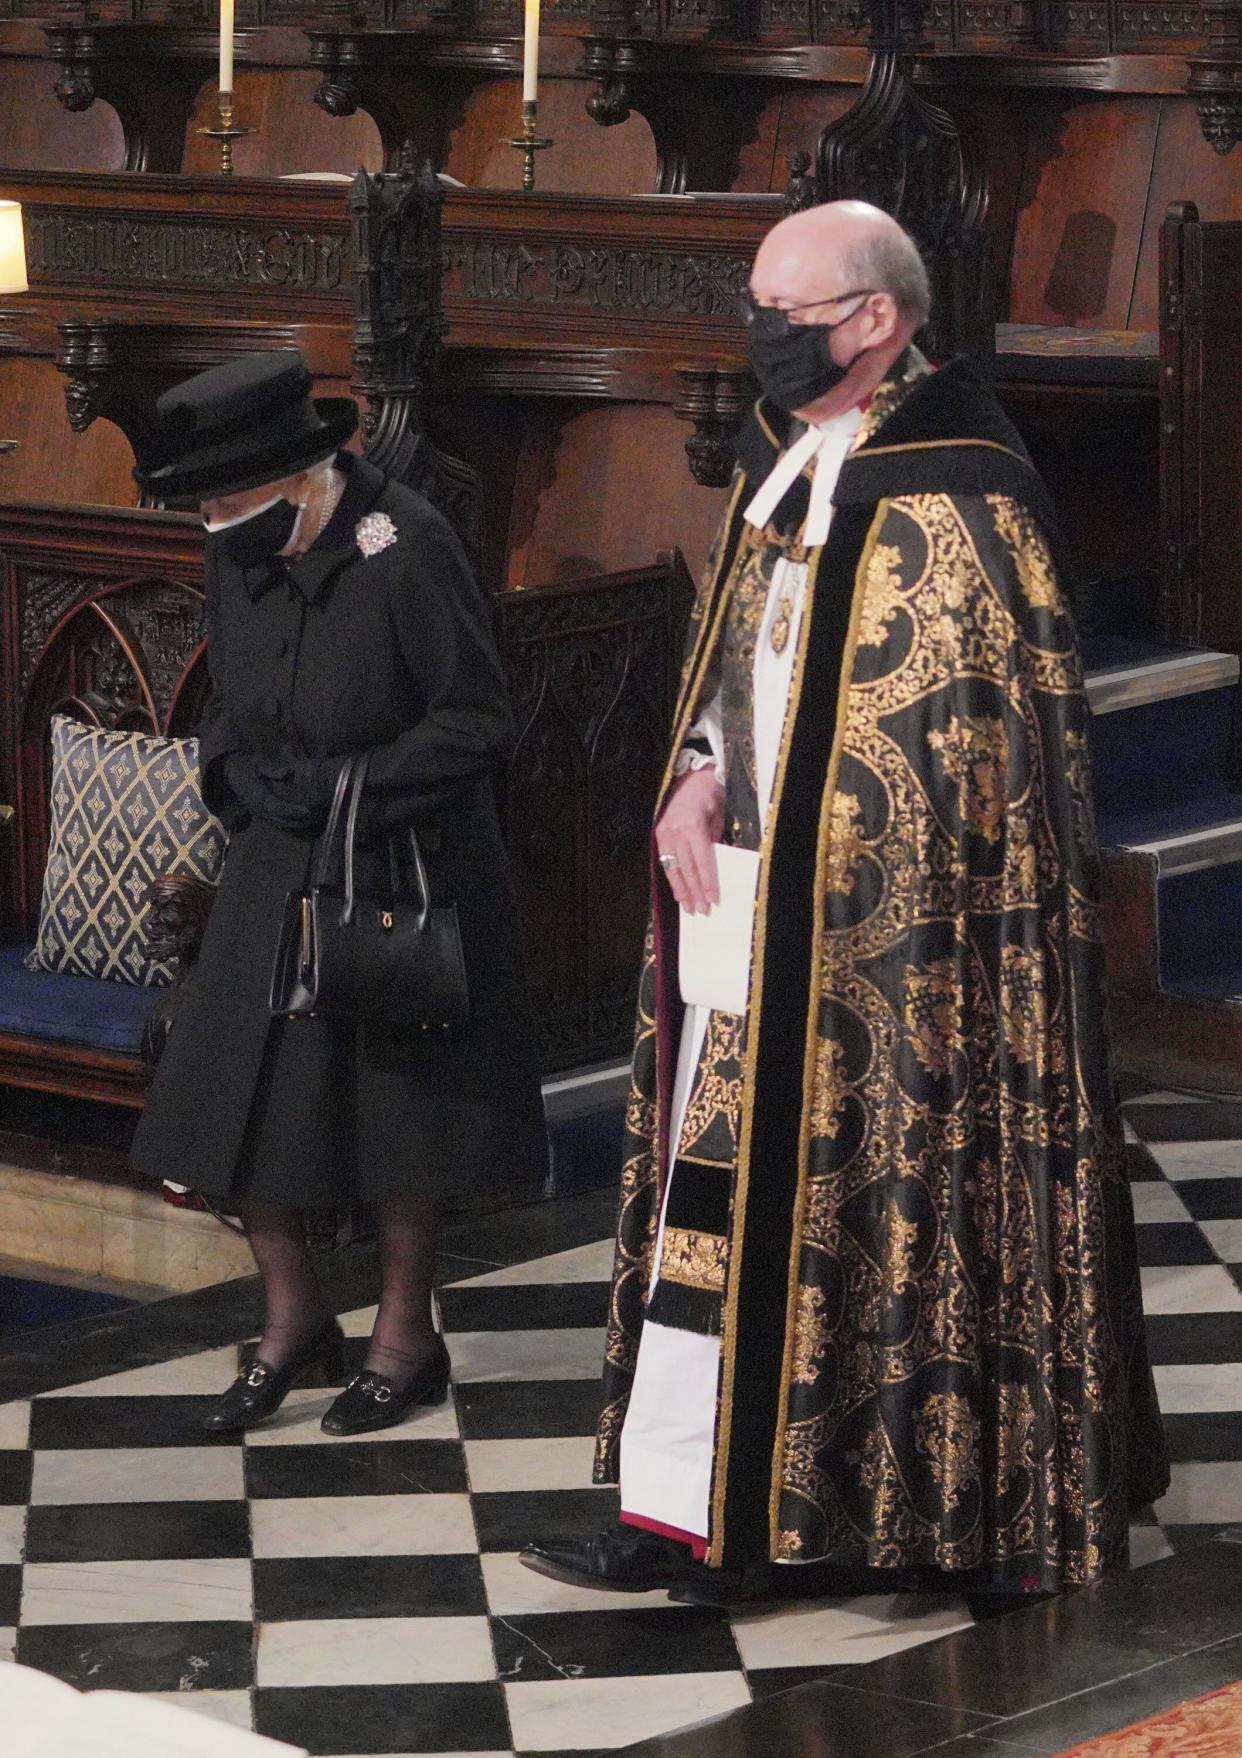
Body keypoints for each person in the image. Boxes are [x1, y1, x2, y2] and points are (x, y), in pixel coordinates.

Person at [520, 202, 1168, 1607]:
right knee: (709, 1214)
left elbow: (979, 757)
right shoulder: (779, 457)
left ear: (876, 318)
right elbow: (745, 671)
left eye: (786, 309)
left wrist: (849, 870)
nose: (758, 335)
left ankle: (877, 1511)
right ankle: (681, 1507)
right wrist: (695, 773)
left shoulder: (962, 490)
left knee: (867, 1218)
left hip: (898, 961)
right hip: (746, 919)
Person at [130, 350, 546, 1436]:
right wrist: (234, 771)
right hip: (277, 851)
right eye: (206, 504)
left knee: (392, 1117)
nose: (216, 520)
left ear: (298, 474)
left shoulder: (407, 547)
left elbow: (477, 721)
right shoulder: (240, 547)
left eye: (229, 497)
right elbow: (226, 699)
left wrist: (345, 784)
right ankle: (294, 1322)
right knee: (234, 1104)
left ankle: (405, 1340)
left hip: (400, 864)